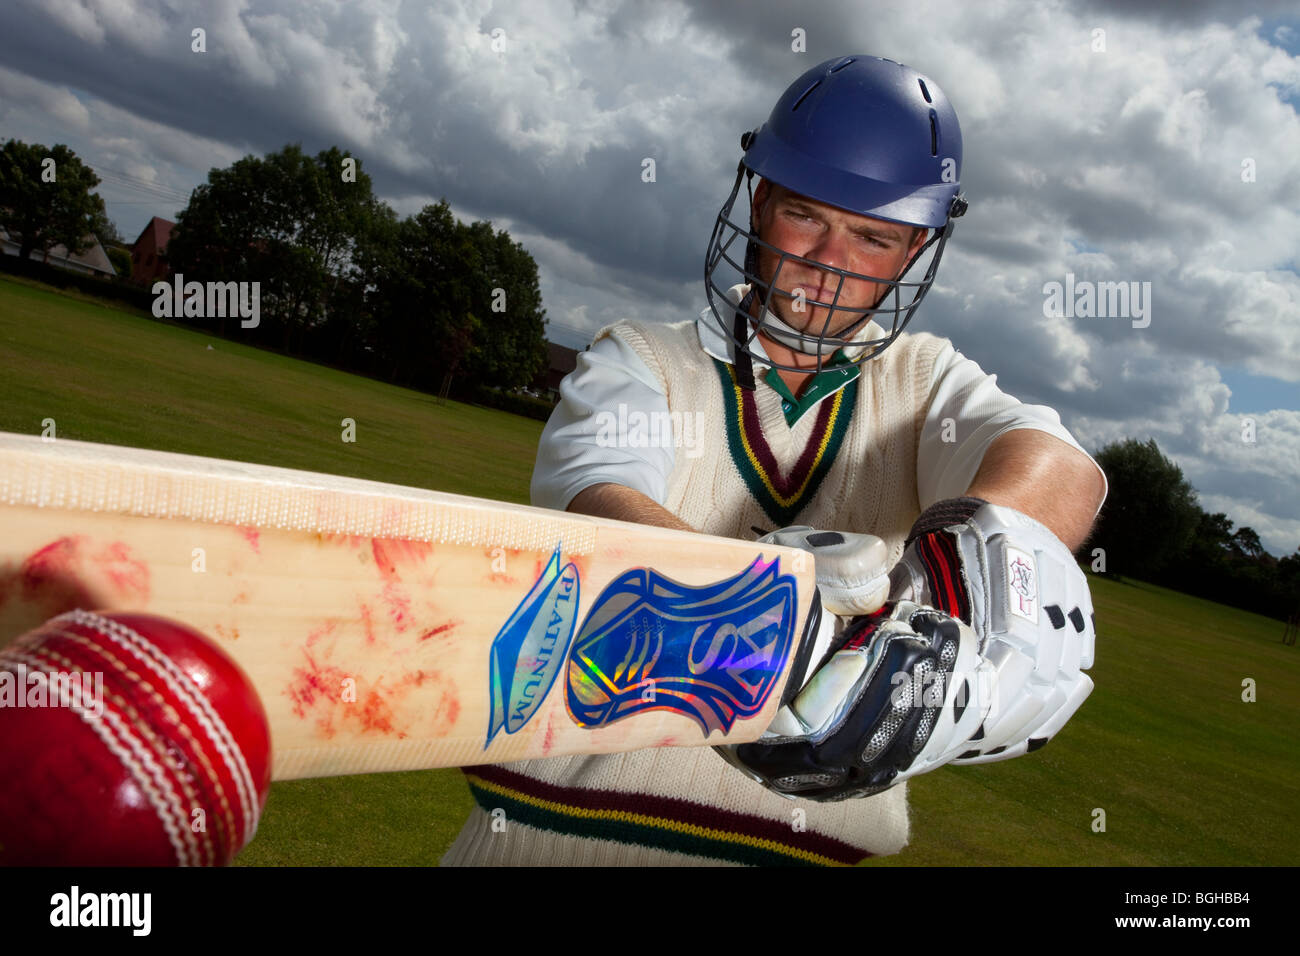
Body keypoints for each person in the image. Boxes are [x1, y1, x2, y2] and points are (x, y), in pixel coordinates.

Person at [443, 54, 1106, 866]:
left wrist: (991, 571)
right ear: (760, 205)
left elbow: (1057, 463)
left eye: (873, 236)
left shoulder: (926, 383)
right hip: (554, 844)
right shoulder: (640, 361)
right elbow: (600, 502)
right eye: (807, 216)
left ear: (913, 253)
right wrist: (791, 637)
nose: (831, 261)